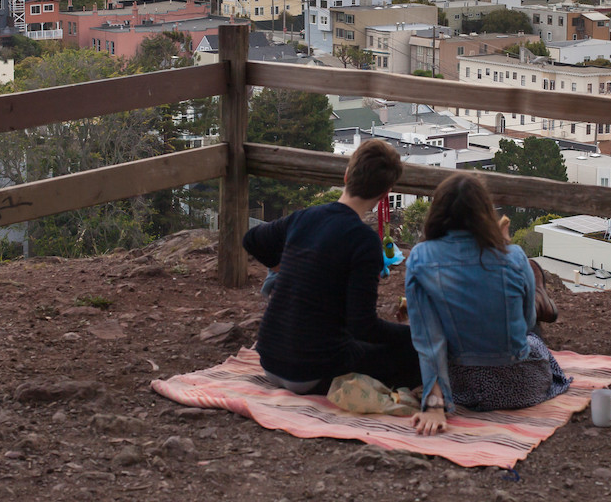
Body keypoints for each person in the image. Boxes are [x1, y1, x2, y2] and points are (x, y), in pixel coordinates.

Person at [243, 139, 421, 395]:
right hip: (312, 371)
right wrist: (413, 336)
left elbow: (252, 239)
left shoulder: (304, 217)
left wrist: (281, 268)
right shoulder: (364, 240)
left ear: (347, 175)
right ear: (385, 193)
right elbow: (363, 326)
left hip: (270, 360)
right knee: (415, 352)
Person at [405, 173, 572, 435]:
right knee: (533, 338)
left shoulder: (419, 259)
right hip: (522, 388)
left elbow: (428, 340)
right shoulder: (514, 256)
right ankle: (540, 293)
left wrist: (435, 405)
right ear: (485, 211)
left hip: (460, 389)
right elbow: (527, 322)